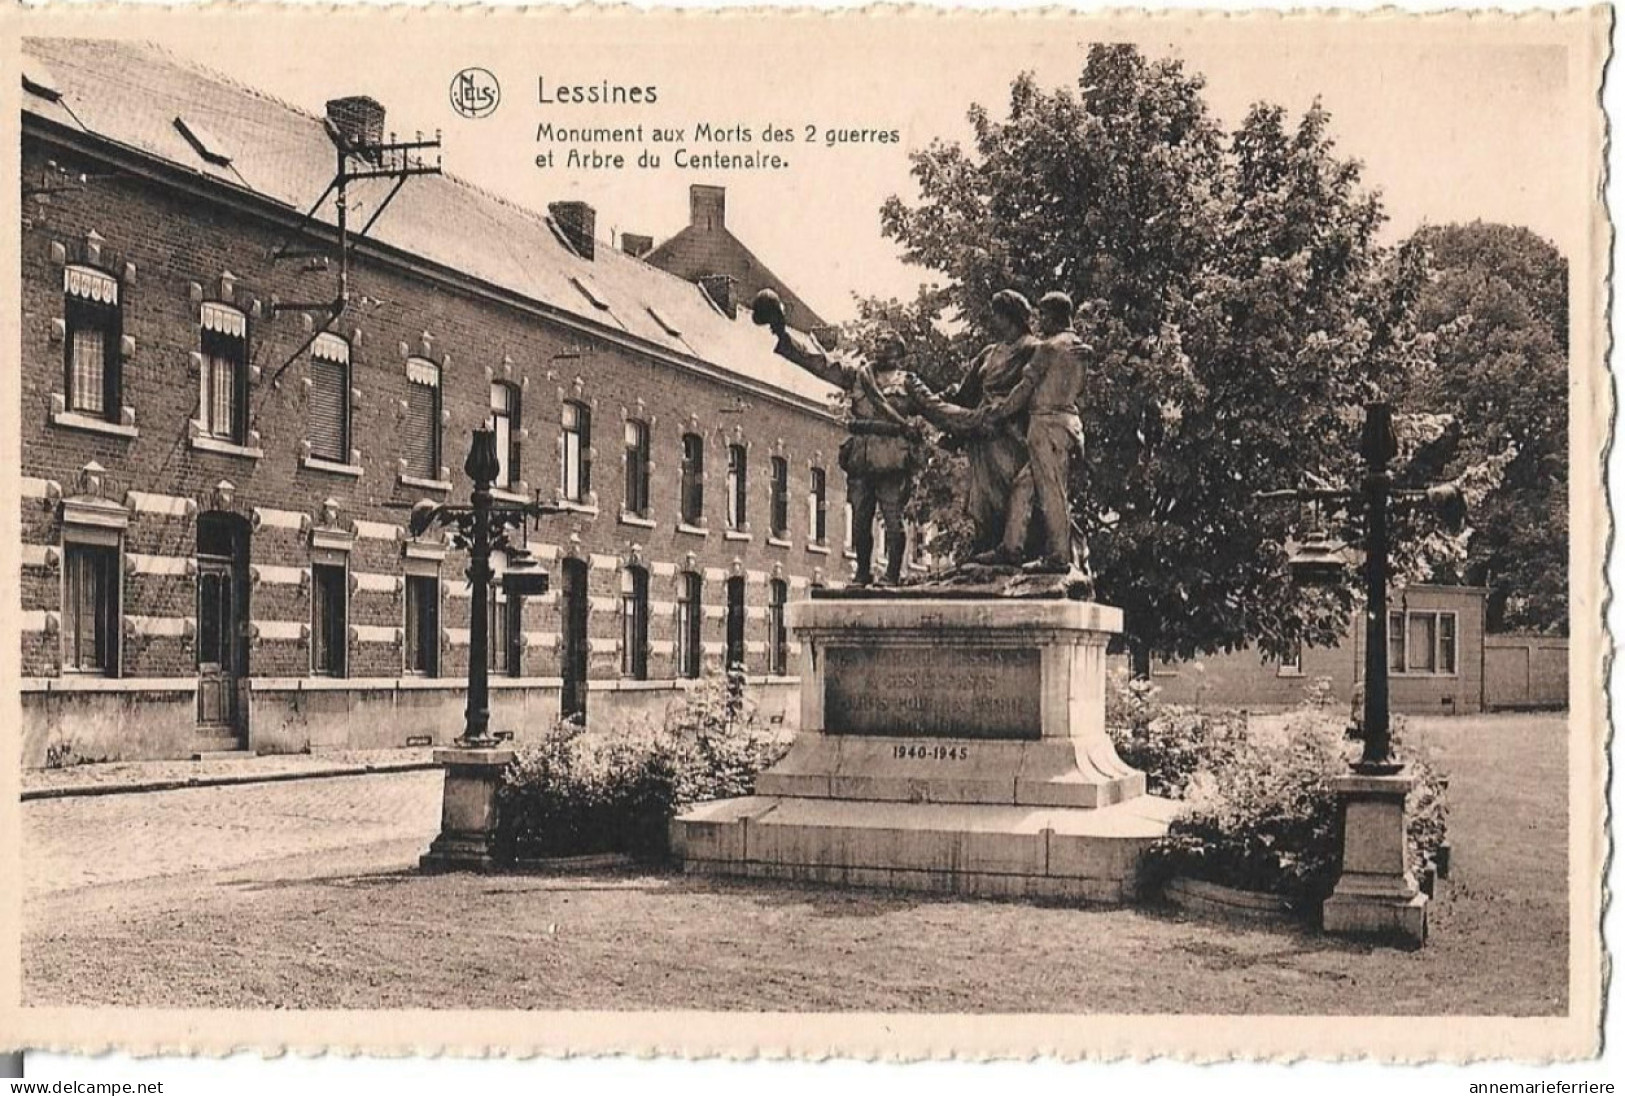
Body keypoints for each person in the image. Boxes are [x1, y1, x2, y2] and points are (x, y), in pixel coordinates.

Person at [751, 290, 925, 586]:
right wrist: (782, 332)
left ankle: (892, 574)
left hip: (892, 460)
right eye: (878, 342)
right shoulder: (858, 376)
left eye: (886, 343)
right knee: (859, 521)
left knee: (893, 522)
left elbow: (938, 408)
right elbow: (819, 362)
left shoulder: (908, 383)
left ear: (898, 352)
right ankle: (862, 572)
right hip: (860, 459)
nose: (879, 346)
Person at [903, 290, 1039, 556]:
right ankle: (987, 546)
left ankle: (1017, 549)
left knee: (1010, 490)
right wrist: (934, 403)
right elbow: (966, 391)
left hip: (1010, 432)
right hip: (982, 433)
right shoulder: (989, 352)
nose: (993, 320)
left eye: (998, 315)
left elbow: (1036, 391)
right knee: (982, 496)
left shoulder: (1031, 348)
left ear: (1010, 315)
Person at [969, 291, 1090, 574]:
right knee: (1024, 485)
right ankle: (1011, 548)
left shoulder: (1048, 348)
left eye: (1044, 315)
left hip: (1046, 425)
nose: (1039, 321)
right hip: (1067, 423)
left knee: (1051, 492)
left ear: (1056, 315)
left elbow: (1024, 389)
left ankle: (1058, 558)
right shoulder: (1079, 347)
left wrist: (998, 412)